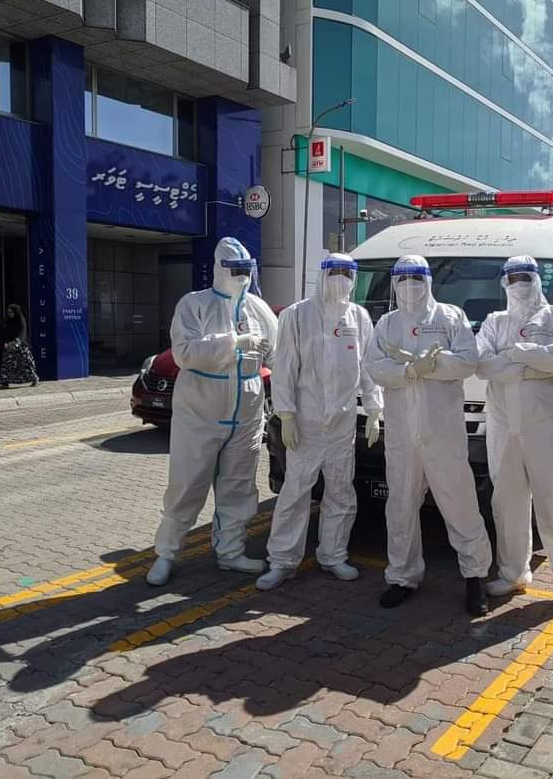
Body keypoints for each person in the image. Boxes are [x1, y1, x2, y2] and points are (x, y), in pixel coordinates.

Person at [146, 237, 278, 586]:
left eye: (246, 269)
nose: (241, 276)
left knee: (239, 485)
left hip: (246, 412)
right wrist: (235, 343)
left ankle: (231, 552)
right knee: (187, 484)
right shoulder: (195, 305)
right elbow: (185, 353)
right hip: (200, 412)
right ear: (219, 268)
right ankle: (166, 553)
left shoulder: (259, 309)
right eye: (235, 269)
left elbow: (278, 356)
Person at [365, 254, 492, 616]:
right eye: (403, 279)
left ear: (428, 281)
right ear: (394, 282)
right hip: (403, 435)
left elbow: (468, 361)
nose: (410, 286)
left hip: (443, 433)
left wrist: (430, 364)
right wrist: (409, 370)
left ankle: (475, 576)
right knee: (400, 506)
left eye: (416, 278)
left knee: (460, 503)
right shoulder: (387, 324)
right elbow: (373, 367)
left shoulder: (450, 317)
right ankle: (402, 577)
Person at [257, 254, 384, 590]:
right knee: (295, 492)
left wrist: (374, 409)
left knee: (341, 491)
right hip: (306, 421)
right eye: (334, 272)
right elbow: (284, 367)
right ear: (321, 275)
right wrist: (286, 415)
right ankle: (282, 561)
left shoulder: (358, 316)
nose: (341, 279)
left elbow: (369, 367)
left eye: (347, 273)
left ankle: (333, 555)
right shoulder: (297, 315)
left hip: (342, 422)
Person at [475, 255, 553, 614]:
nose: (519, 284)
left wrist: (516, 354)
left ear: (537, 279)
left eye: (525, 276)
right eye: (512, 278)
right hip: (504, 424)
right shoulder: (495, 322)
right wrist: (536, 365)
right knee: (507, 502)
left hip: (548, 423)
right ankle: (512, 573)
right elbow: (481, 364)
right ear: (504, 283)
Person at [0, 304, 39, 388]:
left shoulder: (21, 321)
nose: (9, 314)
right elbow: (5, 333)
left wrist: (15, 343)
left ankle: (34, 379)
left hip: (21, 348)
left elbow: (22, 334)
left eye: (11, 312)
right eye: (8, 312)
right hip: (9, 348)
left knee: (26, 364)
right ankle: (4, 383)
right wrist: (5, 343)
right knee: (6, 365)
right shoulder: (9, 322)